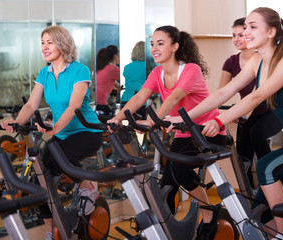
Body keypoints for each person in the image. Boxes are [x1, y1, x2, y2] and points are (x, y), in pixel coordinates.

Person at [167, 7, 283, 237]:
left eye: (252, 27)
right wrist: (183, 119)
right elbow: (224, 92)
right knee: (260, 209)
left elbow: (256, 97)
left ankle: (282, 237)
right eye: (245, 26)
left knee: (265, 166)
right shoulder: (257, 60)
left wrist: (218, 121)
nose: (246, 32)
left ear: (271, 32)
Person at [108, 25, 227, 239]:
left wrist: (154, 122)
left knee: (179, 171)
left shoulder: (190, 69)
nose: (154, 48)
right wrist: (119, 117)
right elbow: (138, 98)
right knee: (167, 182)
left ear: (175, 47)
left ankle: (209, 214)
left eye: (160, 43)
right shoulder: (156, 72)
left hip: (207, 131)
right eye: (152, 44)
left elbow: (174, 98)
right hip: (183, 133)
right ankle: (163, 230)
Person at [1, 25, 103, 239]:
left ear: (63, 44)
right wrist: (17, 123)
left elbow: (74, 106)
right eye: (42, 43)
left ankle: (88, 187)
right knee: (39, 183)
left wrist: (55, 127)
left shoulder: (79, 70)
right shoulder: (44, 73)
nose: (44, 47)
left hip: (87, 131)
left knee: (63, 155)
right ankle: (53, 231)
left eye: (50, 42)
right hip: (62, 134)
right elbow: (31, 105)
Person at [219, 17, 282, 189]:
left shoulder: (263, 59)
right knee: (242, 158)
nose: (237, 39)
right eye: (234, 35)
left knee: (256, 134)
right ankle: (251, 197)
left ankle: (271, 177)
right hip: (247, 114)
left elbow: (257, 95)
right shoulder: (231, 62)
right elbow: (222, 92)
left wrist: (241, 114)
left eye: (241, 34)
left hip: (270, 111)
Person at [121, 41, 147, 119]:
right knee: (142, 127)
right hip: (139, 102)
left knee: (130, 127)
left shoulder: (127, 67)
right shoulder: (147, 66)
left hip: (125, 100)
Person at [95, 45, 120, 115]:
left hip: (95, 103)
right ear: (115, 56)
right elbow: (125, 78)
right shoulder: (112, 69)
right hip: (102, 103)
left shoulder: (101, 67)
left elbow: (115, 84)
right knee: (113, 121)